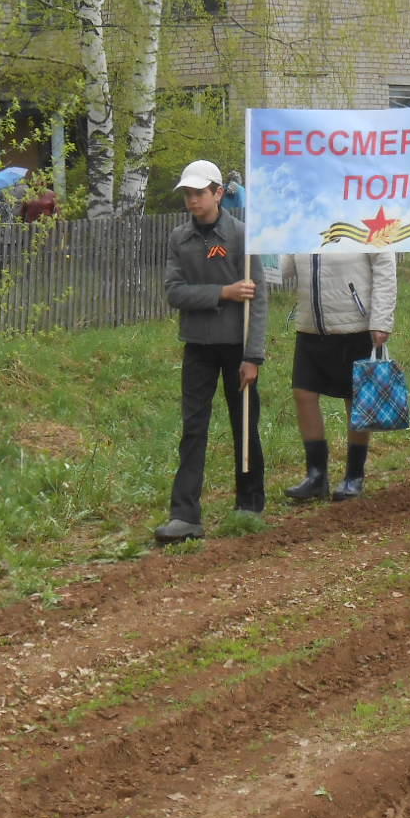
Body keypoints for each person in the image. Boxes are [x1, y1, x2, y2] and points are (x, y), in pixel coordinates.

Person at [154, 160, 268, 543]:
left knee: (244, 425)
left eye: (199, 193)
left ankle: (250, 502)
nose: (192, 201)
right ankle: (185, 514)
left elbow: (261, 299)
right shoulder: (179, 239)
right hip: (198, 347)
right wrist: (223, 293)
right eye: (187, 194)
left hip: (237, 347)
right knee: (194, 429)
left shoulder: (242, 237)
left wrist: (253, 357)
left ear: (219, 193)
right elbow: (174, 292)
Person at [281, 248, 396, 502]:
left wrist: (382, 320)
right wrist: (266, 248)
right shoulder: (302, 223)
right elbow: (285, 269)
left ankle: (354, 475)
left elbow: (385, 266)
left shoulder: (360, 216)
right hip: (310, 326)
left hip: (354, 324)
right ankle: (316, 476)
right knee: (303, 393)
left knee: (354, 399)